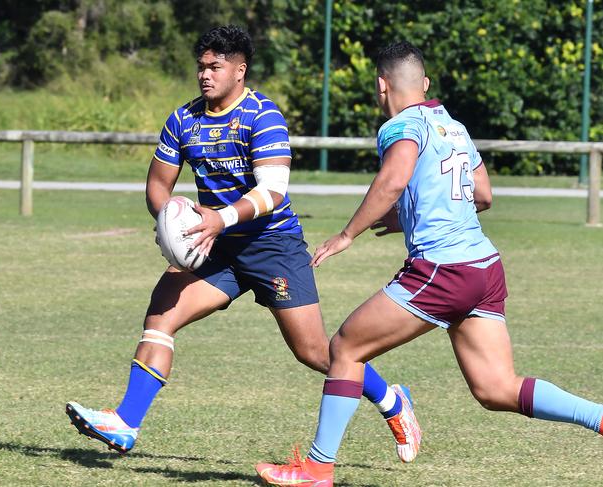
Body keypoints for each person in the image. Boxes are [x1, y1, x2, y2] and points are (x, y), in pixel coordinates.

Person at [65, 26, 421, 462]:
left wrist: (221, 218)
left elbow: (272, 191)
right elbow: (158, 186)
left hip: (274, 246)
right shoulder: (183, 120)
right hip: (216, 247)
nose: (205, 75)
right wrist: (170, 224)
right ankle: (126, 422)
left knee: (314, 351)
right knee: (161, 313)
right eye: (201, 66)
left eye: (215, 66)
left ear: (239, 70)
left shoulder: (262, 116)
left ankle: (392, 402)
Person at [256, 40, 603, 487]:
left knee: (345, 347)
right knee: (495, 388)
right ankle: (598, 417)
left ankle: (317, 470)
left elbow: (394, 180)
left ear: (381, 86)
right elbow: (483, 195)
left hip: (444, 270)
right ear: (424, 83)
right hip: (484, 267)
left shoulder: (400, 125)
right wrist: (411, 216)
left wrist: (346, 235)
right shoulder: (452, 125)